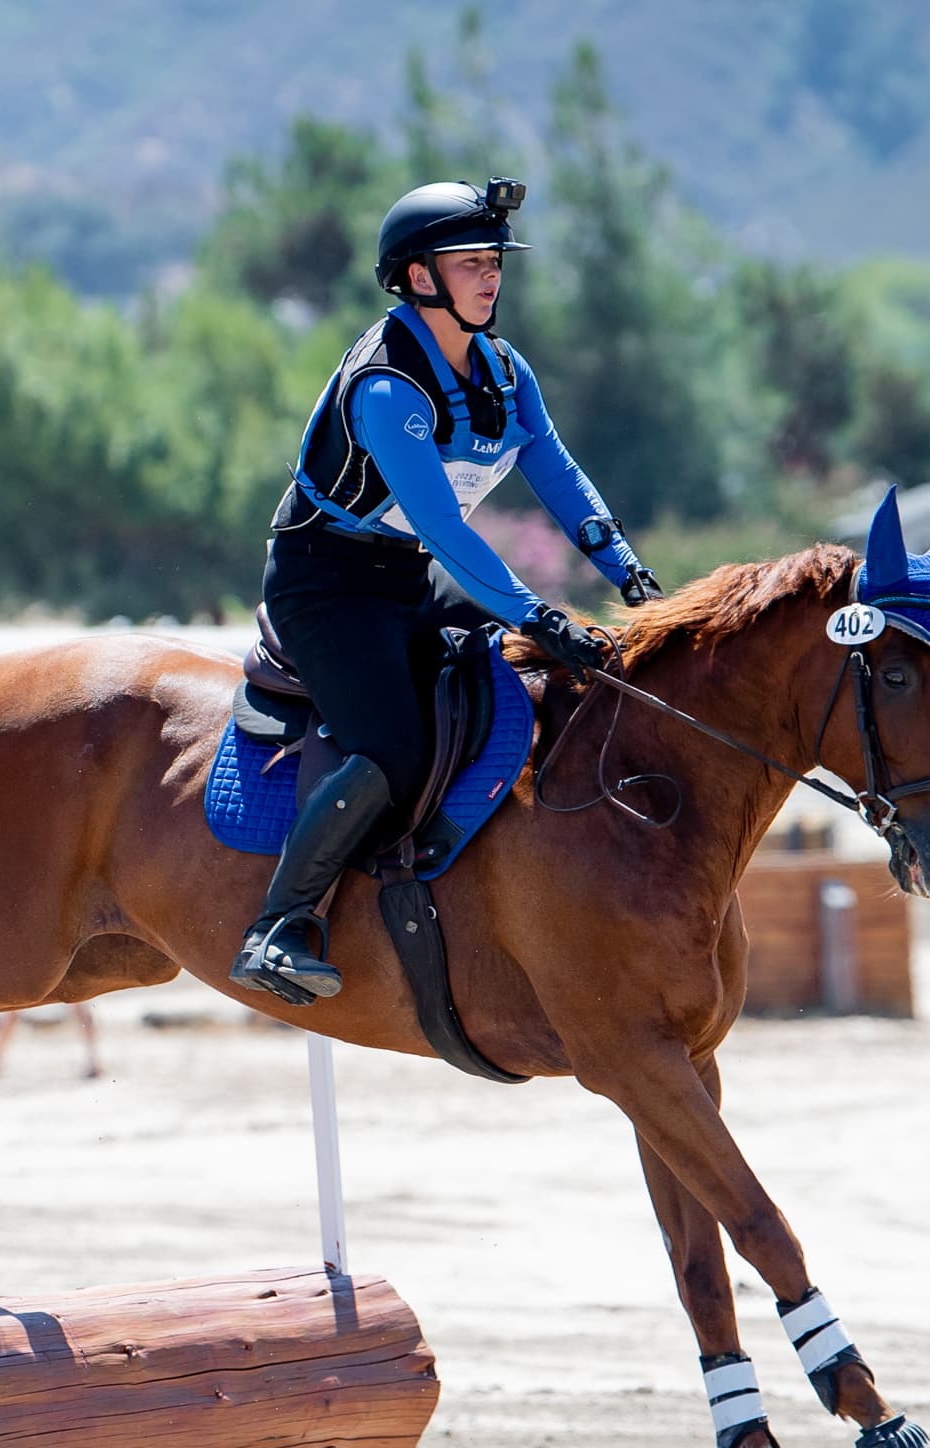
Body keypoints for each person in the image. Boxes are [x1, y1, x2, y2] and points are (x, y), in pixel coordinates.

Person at [229, 177, 664, 1006]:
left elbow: (558, 473)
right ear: (418, 278)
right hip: (326, 585)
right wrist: (533, 610)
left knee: (559, 671)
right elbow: (445, 532)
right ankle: (275, 925)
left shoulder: (502, 369)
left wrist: (627, 573)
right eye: (469, 262)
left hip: (408, 576)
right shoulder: (387, 387)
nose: (490, 276)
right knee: (390, 748)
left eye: (494, 260)